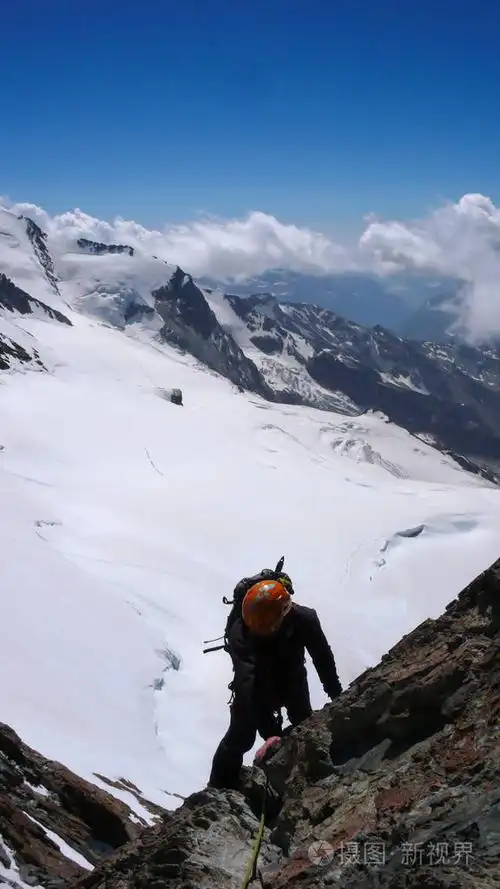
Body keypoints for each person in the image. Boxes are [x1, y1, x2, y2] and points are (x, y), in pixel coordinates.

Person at [208, 571, 342, 789]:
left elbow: (322, 657)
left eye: (268, 627)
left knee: (302, 719)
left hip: (292, 670)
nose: (263, 632)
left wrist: (337, 694)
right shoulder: (241, 634)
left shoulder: (304, 619)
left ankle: (305, 781)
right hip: (258, 676)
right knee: (241, 734)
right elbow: (248, 687)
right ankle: (217, 787)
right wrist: (270, 733)